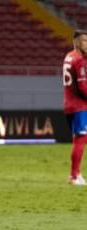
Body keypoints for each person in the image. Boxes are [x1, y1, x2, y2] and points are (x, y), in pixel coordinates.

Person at [63, 30, 87, 185]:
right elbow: (83, 87)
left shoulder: (69, 56)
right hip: (80, 106)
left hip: (69, 104)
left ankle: (76, 174)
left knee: (79, 139)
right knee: (80, 139)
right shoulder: (80, 60)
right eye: (85, 40)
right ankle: (74, 175)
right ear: (77, 42)